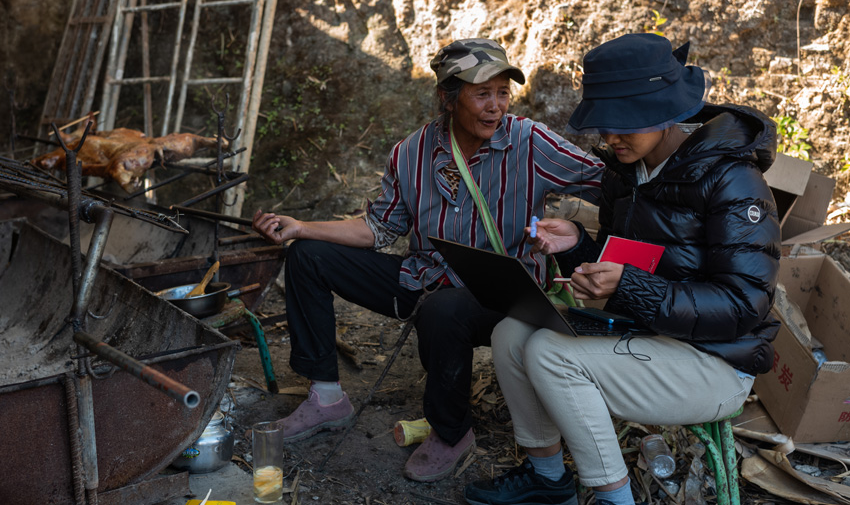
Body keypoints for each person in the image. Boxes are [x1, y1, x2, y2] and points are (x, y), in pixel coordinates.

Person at [252, 38, 605, 482]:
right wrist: (301, 227)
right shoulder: (411, 152)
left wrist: (571, 221)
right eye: (482, 94)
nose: (495, 106)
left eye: (502, 93)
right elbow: (379, 229)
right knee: (307, 256)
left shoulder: (528, 141)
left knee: (445, 307)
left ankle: (452, 431)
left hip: (503, 299)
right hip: (423, 279)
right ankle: (325, 397)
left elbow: (606, 184)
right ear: (448, 97)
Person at [463, 33, 781, 505]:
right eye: (605, 127)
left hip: (717, 361)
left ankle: (615, 498)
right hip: (646, 332)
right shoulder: (623, 174)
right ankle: (548, 478)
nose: (611, 139)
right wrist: (575, 248)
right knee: (512, 334)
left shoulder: (731, 178)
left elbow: (744, 304)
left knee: (552, 353)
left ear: (665, 112)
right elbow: (621, 266)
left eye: (624, 125)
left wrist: (631, 286)